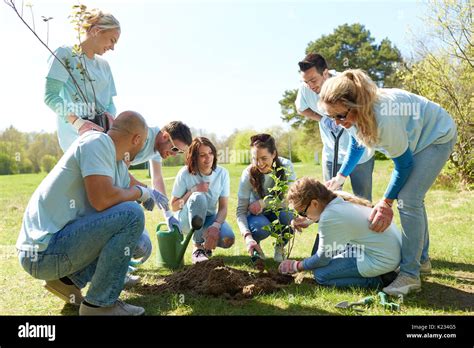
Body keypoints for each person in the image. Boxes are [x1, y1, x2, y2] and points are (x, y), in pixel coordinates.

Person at [320, 69, 457, 295]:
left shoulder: (384, 117)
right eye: (331, 117)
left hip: (437, 136)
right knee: (411, 199)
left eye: (340, 116)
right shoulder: (353, 115)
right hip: (418, 137)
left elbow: (404, 165)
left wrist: (385, 202)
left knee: (408, 199)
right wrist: (341, 176)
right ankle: (421, 260)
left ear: (356, 106)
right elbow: (357, 142)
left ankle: (410, 275)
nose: (337, 123)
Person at [16, 111, 168, 315]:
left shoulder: (116, 164)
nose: (142, 150)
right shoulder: (97, 142)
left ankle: (66, 281)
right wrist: (140, 193)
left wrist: (146, 193)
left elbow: (117, 204)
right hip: (41, 254)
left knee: (138, 237)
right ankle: (100, 305)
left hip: (54, 249)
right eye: (142, 145)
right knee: (132, 214)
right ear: (137, 139)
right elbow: (102, 200)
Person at [278, 177, 401, 290]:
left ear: (315, 203)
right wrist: (308, 220)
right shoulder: (338, 198)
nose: (303, 216)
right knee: (325, 262)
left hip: (381, 260)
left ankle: (379, 280)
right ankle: (382, 274)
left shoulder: (330, 216)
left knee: (321, 275)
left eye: (303, 213)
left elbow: (322, 259)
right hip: (388, 251)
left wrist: (296, 265)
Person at [295, 53, 374, 201]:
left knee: (364, 200)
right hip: (332, 153)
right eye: (306, 82)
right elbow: (300, 108)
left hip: (360, 156)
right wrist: (323, 119)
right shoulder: (306, 88)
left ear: (325, 73)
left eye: (313, 80)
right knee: (329, 198)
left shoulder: (345, 85)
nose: (310, 86)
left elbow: (360, 136)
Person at [44, 9, 121, 152]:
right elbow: (50, 96)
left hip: (102, 137)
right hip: (77, 139)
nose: (113, 47)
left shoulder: (105, 66)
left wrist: (110, 116)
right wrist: (80, 123)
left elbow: (110, 103)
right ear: (97, 31)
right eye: (112, 40)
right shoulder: (65, 54)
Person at [170, 137, 234, 263]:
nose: (208, 158)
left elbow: (223, 207)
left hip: (208, 217)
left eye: (210, 153)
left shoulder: (222, 174)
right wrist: (192, 191)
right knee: (199, 197)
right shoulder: (185, 173)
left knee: (228, 239)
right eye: (202, 155)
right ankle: (197, 247)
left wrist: (215, 226)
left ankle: (206, 248)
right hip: (186, 220)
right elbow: (174, 206)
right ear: (194, 158)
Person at [236, 134, 296, 262]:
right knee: (261, 227)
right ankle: (256, 249)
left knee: (290, 218)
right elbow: (240, 211)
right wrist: (247, 237)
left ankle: (280, 248)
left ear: (274, 154)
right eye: (255, 159)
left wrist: (263, 203)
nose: (259, 164)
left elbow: (289, 197)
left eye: (264, 158)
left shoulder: (286, 166)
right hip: (256, 216)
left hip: (279, 210)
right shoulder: (248, 174)